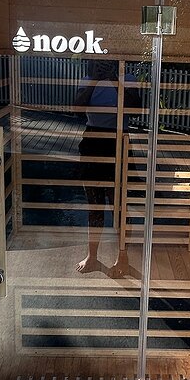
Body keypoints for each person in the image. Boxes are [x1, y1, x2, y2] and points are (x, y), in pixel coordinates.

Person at [75, 59, 140, 274]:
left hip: (118, 142)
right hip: (93, 140)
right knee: (94, 205)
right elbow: (77, 109)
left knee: (119, 205)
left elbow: (135, 109)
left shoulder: (128, 79)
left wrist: (113, 79)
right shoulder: (87, 80)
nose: (103, 64)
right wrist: (95, 80)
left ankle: (123, 258)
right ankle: (92, 256)